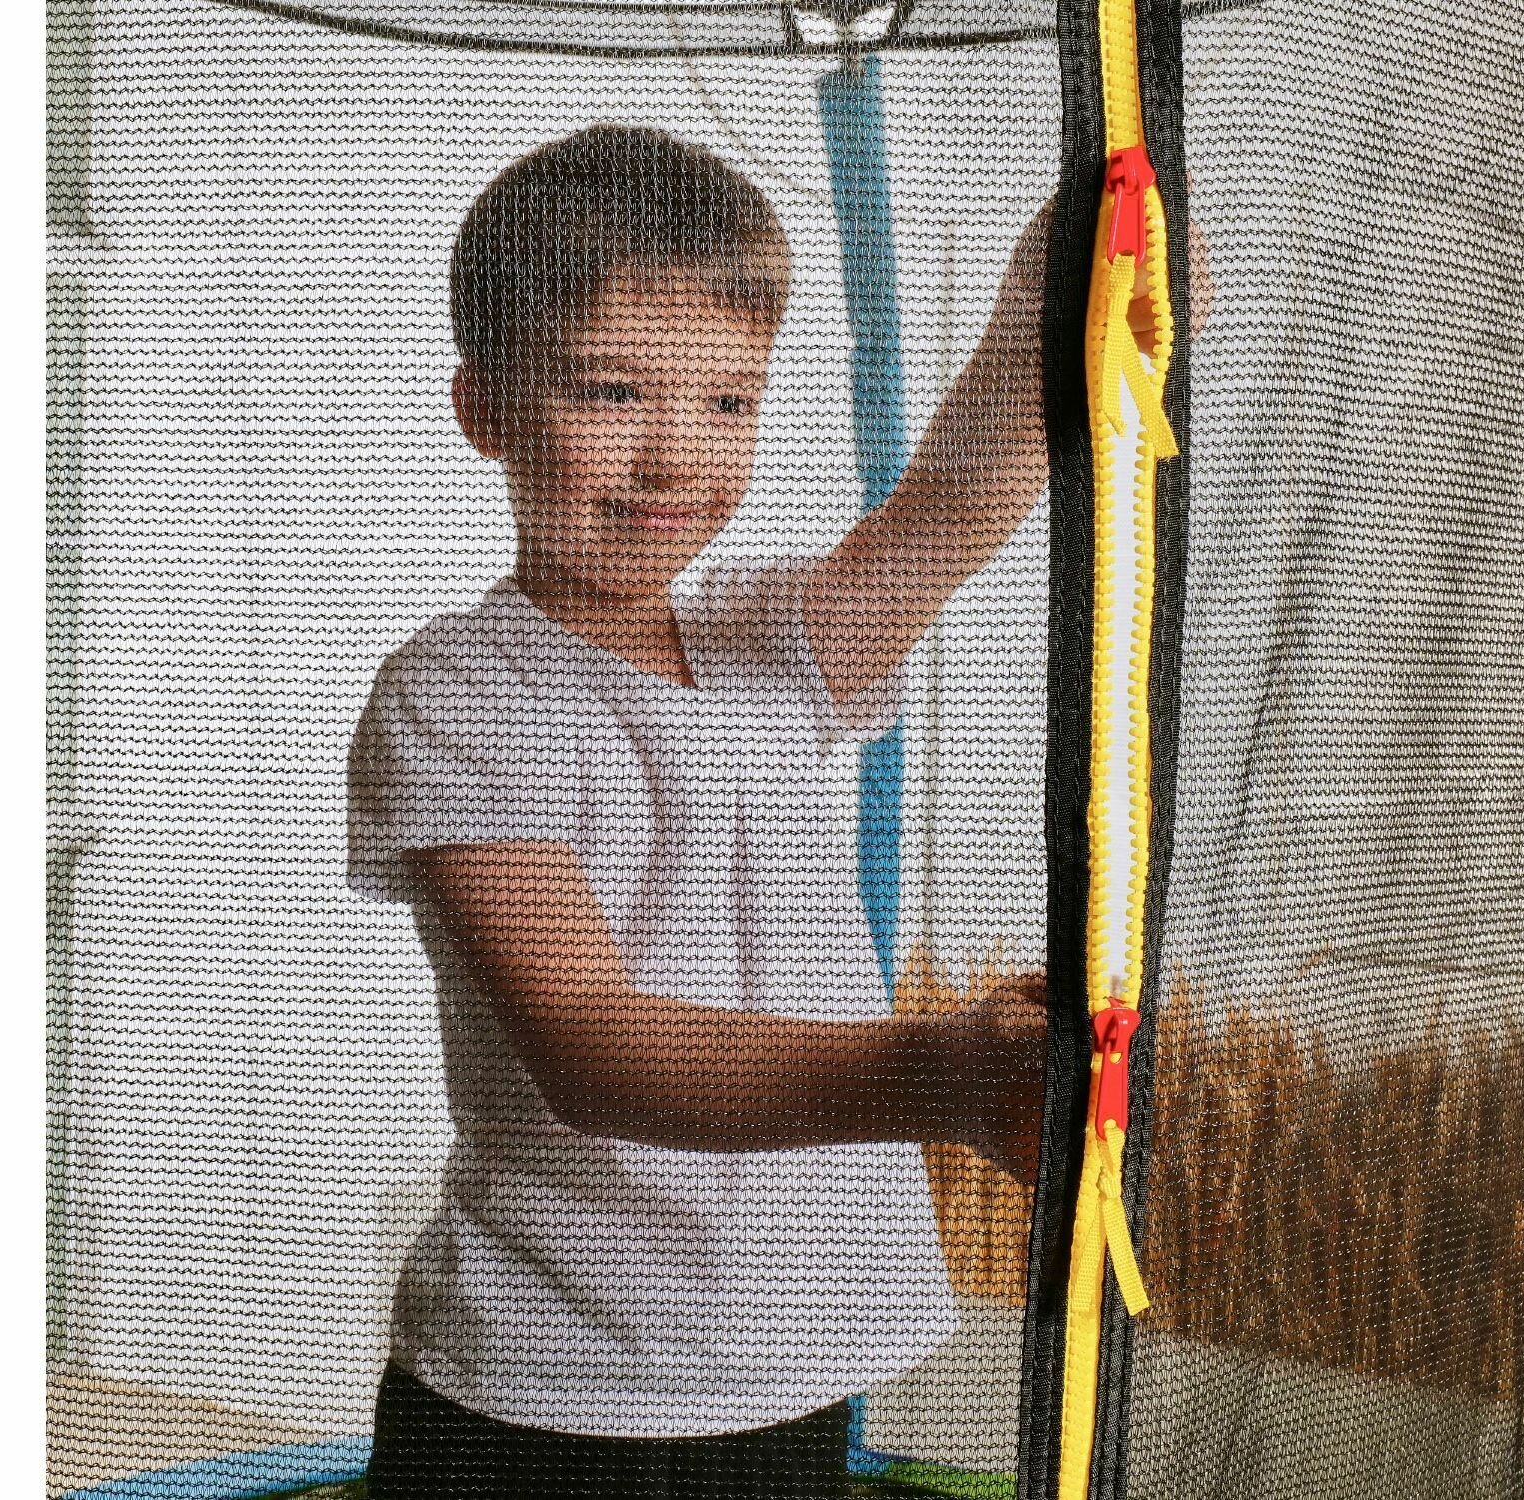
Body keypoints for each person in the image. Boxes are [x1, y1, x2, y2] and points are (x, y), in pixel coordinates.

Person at [347, 124, 1149, 1499]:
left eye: (729, 402)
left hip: (789, 1366)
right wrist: (939, 1077)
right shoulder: (463, 692)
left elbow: (946, 513)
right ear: (485, 412)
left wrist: (1054, 295)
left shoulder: (760, 637)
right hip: (550, 1391)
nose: (677, 458)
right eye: (611, 393)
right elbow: (591, 1046)